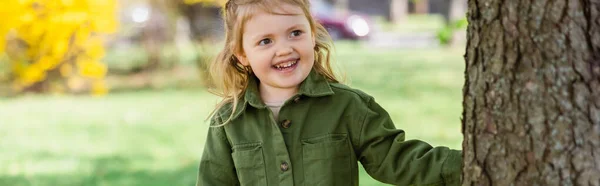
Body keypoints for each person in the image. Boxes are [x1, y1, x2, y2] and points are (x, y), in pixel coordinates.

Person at [197, 0, 462, 185]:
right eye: (266, 41)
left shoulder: (348, 106)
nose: (284, 49)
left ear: (312, 36)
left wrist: (470, 164)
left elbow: (398, 160)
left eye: (295, 33)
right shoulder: (229, 122)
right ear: (242, 54)